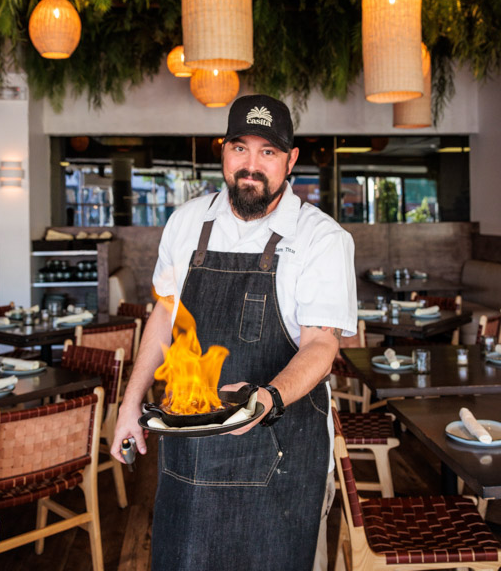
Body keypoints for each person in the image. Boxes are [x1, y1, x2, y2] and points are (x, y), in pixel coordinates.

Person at [111, 94, 357, 571]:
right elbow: (164, 314)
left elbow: (322, 344)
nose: (251, 164)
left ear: (291, 160)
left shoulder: (321, 239)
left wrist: (267, 398)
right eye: (239, 147)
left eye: (268, 152)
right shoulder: (186, 223)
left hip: (282, 456)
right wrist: (129, 402)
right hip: (191, 451)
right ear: (222, 151)